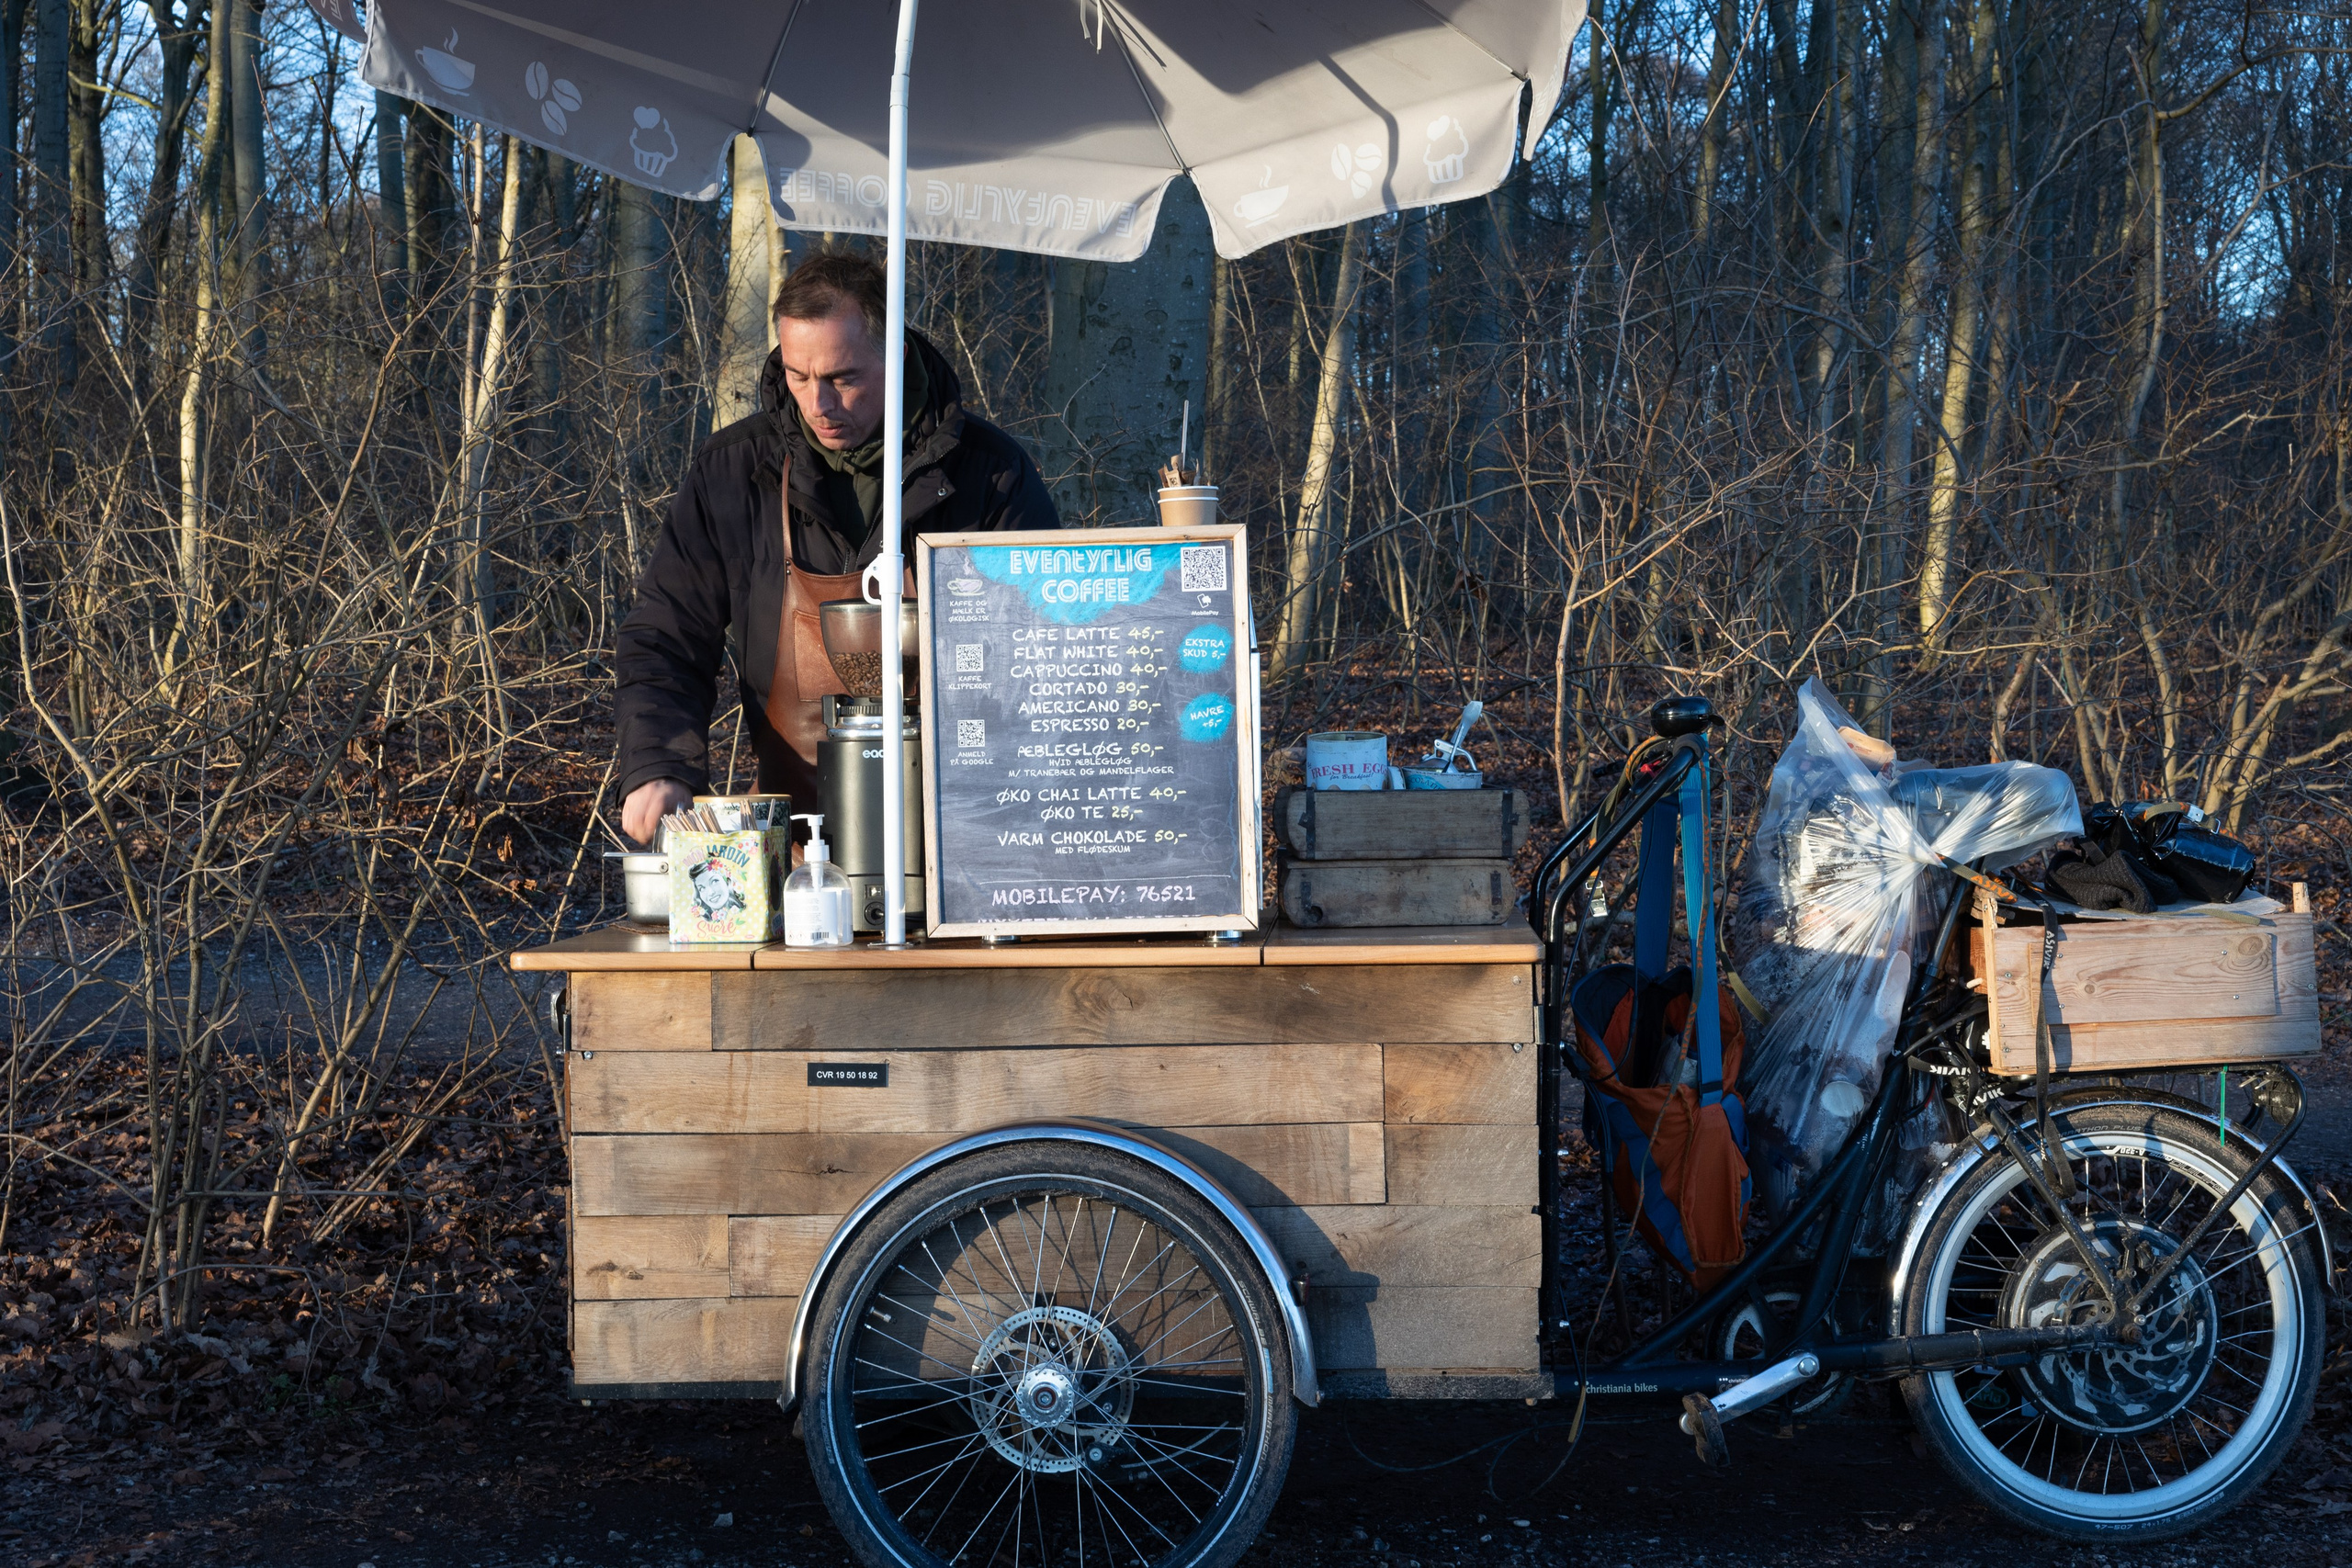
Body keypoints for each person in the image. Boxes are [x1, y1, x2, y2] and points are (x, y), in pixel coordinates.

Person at [614, 253, 1060, 845]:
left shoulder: (991, 474)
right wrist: (658, 765)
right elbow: (664, 637)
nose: (817, 404)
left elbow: (1043, 655)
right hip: (797, 843)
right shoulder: (733, 472)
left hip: (968, 834)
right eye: (798, 376)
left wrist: (950, 622)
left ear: (895, 358)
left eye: (842, 379)